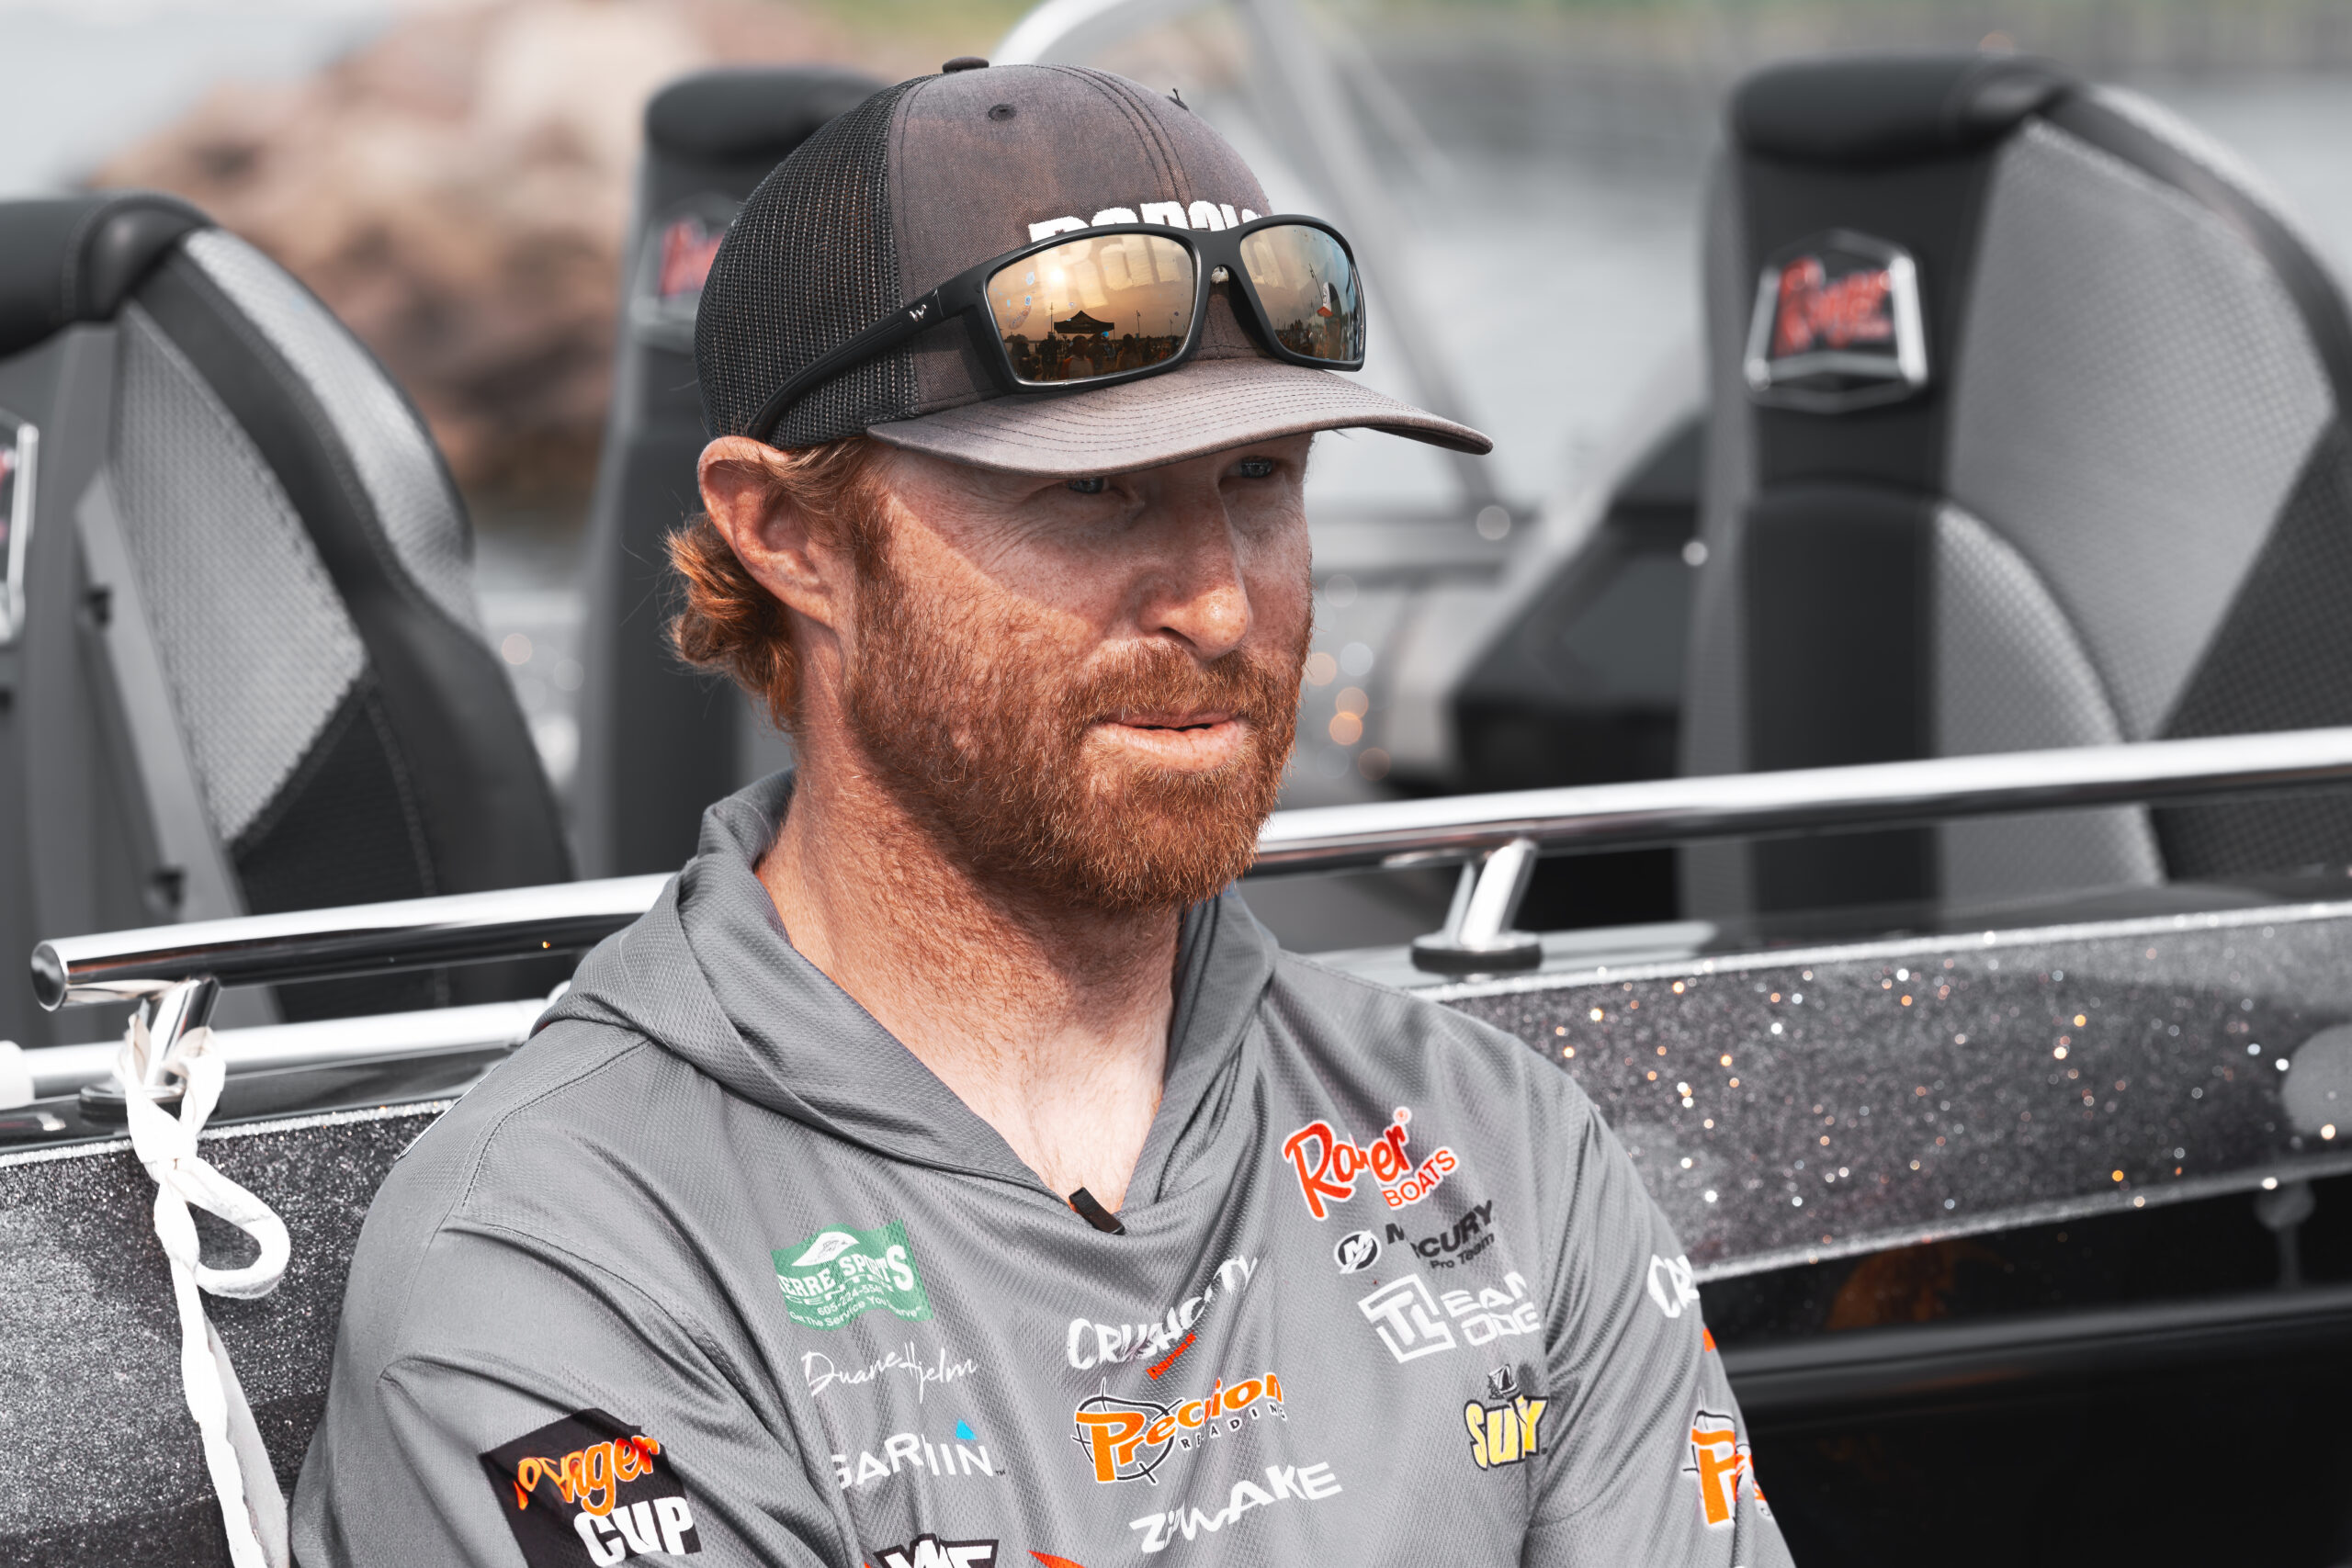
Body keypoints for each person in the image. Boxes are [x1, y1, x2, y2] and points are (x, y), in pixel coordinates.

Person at [292, 60, 1791, 1568]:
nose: (1221, 604)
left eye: (1260, 476)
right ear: (793, 536)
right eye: (1096, 492)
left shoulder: (1498, 1144)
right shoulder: (559, 1262)